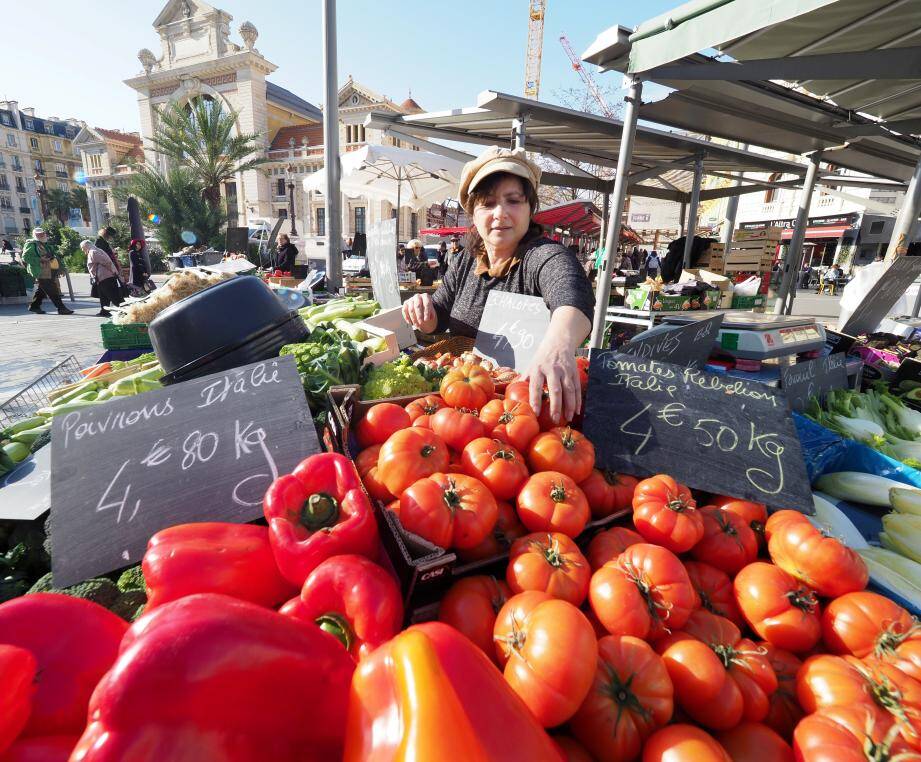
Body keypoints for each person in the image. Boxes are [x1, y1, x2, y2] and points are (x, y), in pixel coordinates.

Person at [401, 146, 594, 423]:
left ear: (530, 209)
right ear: (473, 213)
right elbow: (439, 316)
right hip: (460, 409)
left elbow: (572, 294)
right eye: (488, 203)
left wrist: (559, 345)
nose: (500, 213)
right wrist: (422, 310)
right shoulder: (467, 260)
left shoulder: (542, 256)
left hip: (524, 414)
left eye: (513, 201)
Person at [23, 227, 73, 315]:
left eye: (43, 233)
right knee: (52, 290)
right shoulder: (31, 244)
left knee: (42, 290)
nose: (42, 235)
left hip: (50, 271)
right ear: (35, 235)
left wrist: (60, 268)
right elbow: (25, 258)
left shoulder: (46, 244)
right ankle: (61, 308)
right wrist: (40, 259)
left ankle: (34, 306)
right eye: (39, 234)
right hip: (41, 271)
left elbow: (54, 256)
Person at [83, 240, 123, 317]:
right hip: (103, 277)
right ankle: (104, 311)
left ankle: (124, 310)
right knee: (103, 295)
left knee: (113, 295)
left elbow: (105, 262)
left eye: (82, 248)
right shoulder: (97, 250)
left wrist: (112, 271)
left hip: (105, 277)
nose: (82, 250)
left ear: (86, 246)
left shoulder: (93, 252)